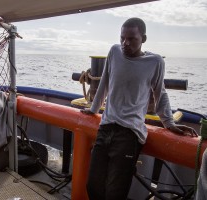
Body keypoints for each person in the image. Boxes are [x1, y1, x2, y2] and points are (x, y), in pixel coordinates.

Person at [81, 17, 198, 200]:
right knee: (93, 186)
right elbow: (104, 83)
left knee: (115, 193)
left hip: (129, 134)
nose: (125, 43)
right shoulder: (114, 51)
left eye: (131, 39)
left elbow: (160, 93)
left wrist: (169, 123)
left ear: (143, 38)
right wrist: (94, 109)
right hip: (106, 127)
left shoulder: (155, 62)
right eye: (122, 38)